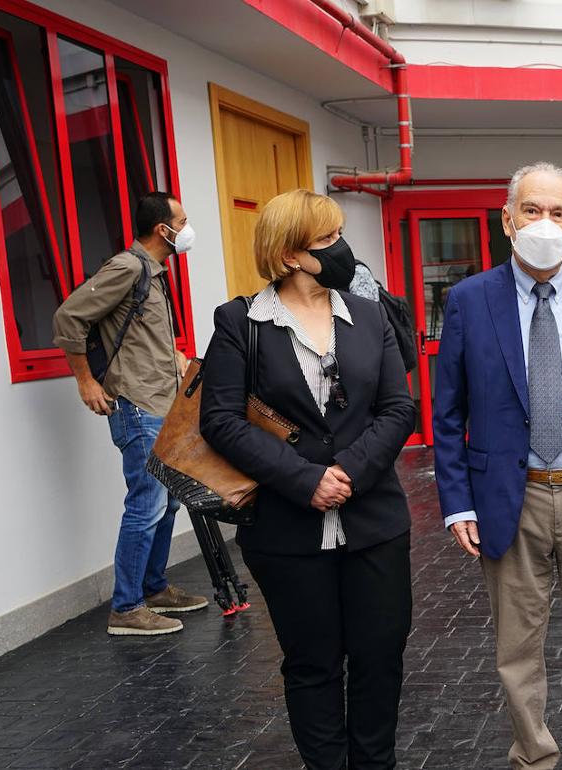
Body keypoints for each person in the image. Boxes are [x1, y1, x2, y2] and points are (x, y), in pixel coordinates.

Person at [433, 162, 562, 770]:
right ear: (507, 220)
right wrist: (457, 502)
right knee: (516, 649)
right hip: (508, 496)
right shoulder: (470, 300)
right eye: (532, 210)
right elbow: (447, 412)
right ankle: (534, 757)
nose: (544, 223)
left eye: (557, 213)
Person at [200, 190, 415, 769]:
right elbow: (220, 420)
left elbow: (399, 408)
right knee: (312, 664)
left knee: (379, 659)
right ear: (290, 254)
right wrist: (304, 481)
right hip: (286, 530)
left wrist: (349, 471)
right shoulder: (239, 323)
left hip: (375, 524)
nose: (342, 247)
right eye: (327, 239)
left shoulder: (369, 315)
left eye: (339, 234)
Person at [53, 192, 207, 637]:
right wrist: (86, 381)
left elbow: (141, 335)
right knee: (147, 504)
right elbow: (68, 318)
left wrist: (176, 359)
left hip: (162, 404)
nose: (187, 228)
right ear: (163, 229)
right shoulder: (128, 267)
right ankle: (126, 607)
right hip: (136, 407)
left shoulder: (154, 274)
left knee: (168, 500)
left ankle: (153, 588)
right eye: (183, 221)